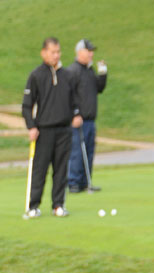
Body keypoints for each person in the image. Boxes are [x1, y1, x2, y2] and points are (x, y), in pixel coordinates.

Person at [21, 37, 82, 218]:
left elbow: (74, 101)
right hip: (43, 130)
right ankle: (33, 206)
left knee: (61, 169)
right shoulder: (36, 75)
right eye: (52, 52)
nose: (56, 55)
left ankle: (58, 205)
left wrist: (76, 114)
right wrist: (31, 126)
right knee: (39, 170)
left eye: (58, 52)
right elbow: (26, 105)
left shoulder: (68, 75)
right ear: (44, 53)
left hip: (64, 130)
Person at [67, 39, 108, 193]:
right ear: (79, 52)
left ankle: (85, 181)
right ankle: (73, 182)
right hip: (78, 120)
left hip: (90, 120)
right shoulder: (73, 71)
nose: (91, 54)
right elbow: (68, 95)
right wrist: (74, 114)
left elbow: (99, 88)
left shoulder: (89, 71)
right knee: (77, 151)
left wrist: (103, 73)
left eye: (92, 51)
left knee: (89, 151)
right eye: (88, 51)